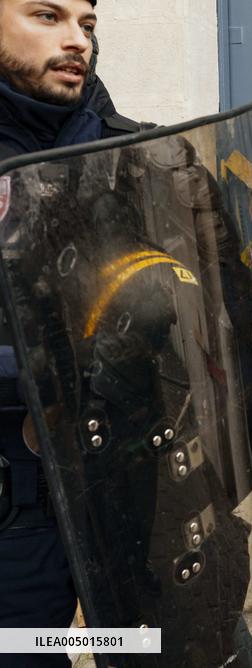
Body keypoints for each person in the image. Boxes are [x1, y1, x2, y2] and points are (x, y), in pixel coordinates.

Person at [0, 2, 148, 667]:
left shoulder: (129, 152)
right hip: (16, 491)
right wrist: (41, 366)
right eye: (47, 16)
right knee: (24, 650)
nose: (76, 40)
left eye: (86, 25)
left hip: (125, 471)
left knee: (163, 645)